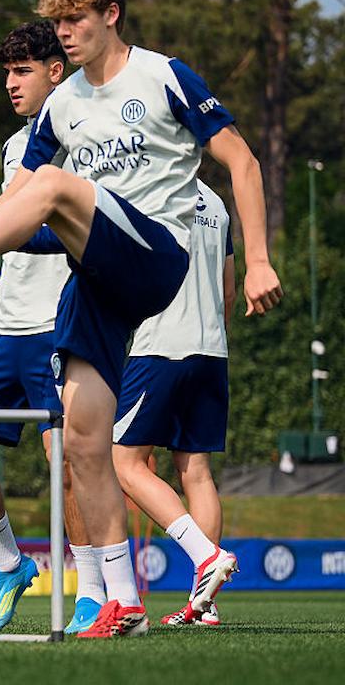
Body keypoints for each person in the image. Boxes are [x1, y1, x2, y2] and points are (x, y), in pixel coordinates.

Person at [0, 0, 281, 638]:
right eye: (56, 22)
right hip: (99, 281)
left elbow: (243, 160)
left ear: (110, 13)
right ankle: (123, 601)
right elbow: (16, 198)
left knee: (56, 186)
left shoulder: (164, 75)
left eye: (74, 19)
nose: (63, 32)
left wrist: (259, 259)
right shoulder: (61, 108)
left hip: (158, 254)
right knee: (87, 440)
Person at [0, 21, 103, 635]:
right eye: (6, 72)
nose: (10, 83)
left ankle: (93, 593)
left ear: (56, 72)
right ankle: (9, 565)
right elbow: (9, 242)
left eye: (23, 71)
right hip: (3, 327)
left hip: (60, 326)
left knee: (68, 462)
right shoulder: (13, 147)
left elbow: (64, 235)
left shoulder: (87, 139)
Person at [111, 179, 236, 627]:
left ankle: (206, 556)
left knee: (122, 463)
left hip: (159, 347)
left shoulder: (150, 187)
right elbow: (229, 292)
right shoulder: (217, 204)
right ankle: (205, 604)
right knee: (196, 471)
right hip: (212, 351)